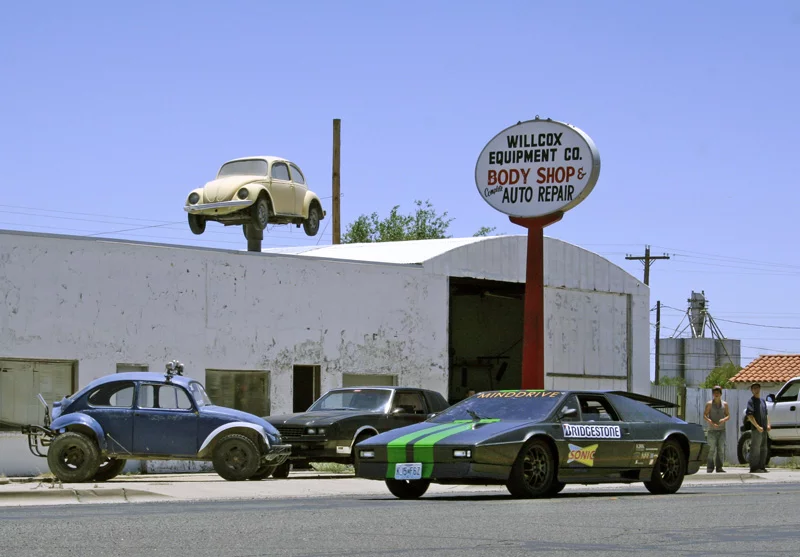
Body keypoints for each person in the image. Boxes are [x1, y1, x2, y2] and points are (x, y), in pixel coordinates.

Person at [745, 382, 771, 473]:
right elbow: (750, 416)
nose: (756, 389)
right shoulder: (751, 401)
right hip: (757, 429)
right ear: (752, 390)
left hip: (764, 429)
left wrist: (768, 424)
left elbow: (766, 414)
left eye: (757, 388)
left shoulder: (763, 401)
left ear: (760, 389)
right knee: (755, 449)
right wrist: (757, 426)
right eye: (754, 388)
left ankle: (762, 467)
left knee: (764, 448)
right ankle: (754, 468)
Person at [703, 385, 729, 473]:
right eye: (715, 392)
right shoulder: (709, 404)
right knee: (711, 449)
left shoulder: (725, 404)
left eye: (718, 392)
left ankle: (719, 467)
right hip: (712, 430)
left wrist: (723, 419)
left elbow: (728, 415)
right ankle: (710, 467)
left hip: (722, 430)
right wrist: (710, 421)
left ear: (721, 394)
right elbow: (705, 415)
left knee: (721, 449)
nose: (716, 394)